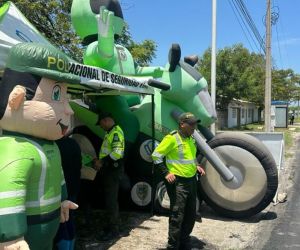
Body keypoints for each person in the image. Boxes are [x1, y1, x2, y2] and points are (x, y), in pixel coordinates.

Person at [152, 112, 206, 250]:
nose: (194, 126)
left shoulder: (191, 138)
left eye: (195, 123)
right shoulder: (172, 138)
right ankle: (172, 246)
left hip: (191, 181)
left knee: (191, 214)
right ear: (182, 124)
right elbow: (156, 156)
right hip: (178, 183)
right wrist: (166, 173)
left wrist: (197, 166)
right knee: (177, 215)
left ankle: (184, 241)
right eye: (192, 124)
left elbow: (191, 157)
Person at [94, 111, 125, 241]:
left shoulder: (116, 132)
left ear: (106, 120)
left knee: (111, 201)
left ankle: (114, 230)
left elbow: (117, 153)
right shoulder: (111, 132)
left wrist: (102, 161)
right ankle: (111, 225)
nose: (101, 126)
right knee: (109, 200)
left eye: (101, 124)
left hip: (112, 172)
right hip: (109, 171)